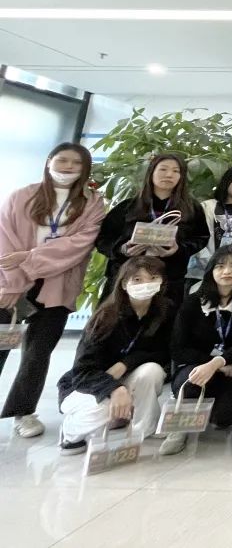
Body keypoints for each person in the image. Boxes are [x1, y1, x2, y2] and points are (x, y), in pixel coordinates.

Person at [0, 143, 105, 438]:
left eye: (76, 163)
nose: (69, 167)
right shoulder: (21, 196)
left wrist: (30, 258)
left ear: (85, 169)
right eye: (63, 160)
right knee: (0, 345)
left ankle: (23, 412)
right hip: (12, 282)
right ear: (49, 162)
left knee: (38, 352)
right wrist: (12, 280)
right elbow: (4, 240)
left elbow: (80, 244)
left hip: (59, 283)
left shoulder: (92, 203)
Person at [56, 257, 172, 454]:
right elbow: (82, 372)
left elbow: (163, 353)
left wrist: (126, 364)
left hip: (126, 377)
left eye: (153, 278)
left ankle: (145, 427)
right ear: (124, 284)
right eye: (137, 279)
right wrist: (114, 389)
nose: (146, 284)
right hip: (86, 385)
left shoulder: (164, 311)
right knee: (106, 408)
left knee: (152, 371)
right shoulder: (105, 317)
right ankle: (70, 432)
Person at [159, 244, 232, 456]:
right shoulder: (194, 302)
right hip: (198, 366)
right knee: (192, 381)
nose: (227, 271)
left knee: (224, 417)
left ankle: (209, 411)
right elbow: (178, 348)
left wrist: (220, 363)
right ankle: (179, 430)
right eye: (220, 266)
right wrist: (215, 365)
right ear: (211, 270)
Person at [96, 153, 210, 310]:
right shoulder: (127, 207)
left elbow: (201, 238)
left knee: (162, 322)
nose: (169, 174)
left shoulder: (192, 209)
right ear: (151, 172)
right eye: (163, 169)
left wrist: (178, 250)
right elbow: (103, 239)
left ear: (182, 177)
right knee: (114, 321)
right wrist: (122, 249)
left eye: (176, 171)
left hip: (169, 280)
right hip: (125, 278)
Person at [186, 165, 232, 292]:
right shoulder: (206, 207)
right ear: (226, 181)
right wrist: (213, 264)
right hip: (205, 269)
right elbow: (196, 237)